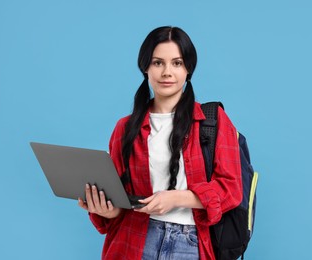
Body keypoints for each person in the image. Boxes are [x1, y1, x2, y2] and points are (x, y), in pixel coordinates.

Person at [78, 26, 242, 259]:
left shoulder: (212, 121)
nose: (167, 72)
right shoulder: (124, 129)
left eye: (177, 63)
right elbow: (120, 200)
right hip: (133, 242)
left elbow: (231, 189)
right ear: (145, 67)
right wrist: (106, 209)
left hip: (190, 244)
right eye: (158, 62)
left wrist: (176, 198)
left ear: (188, 69)